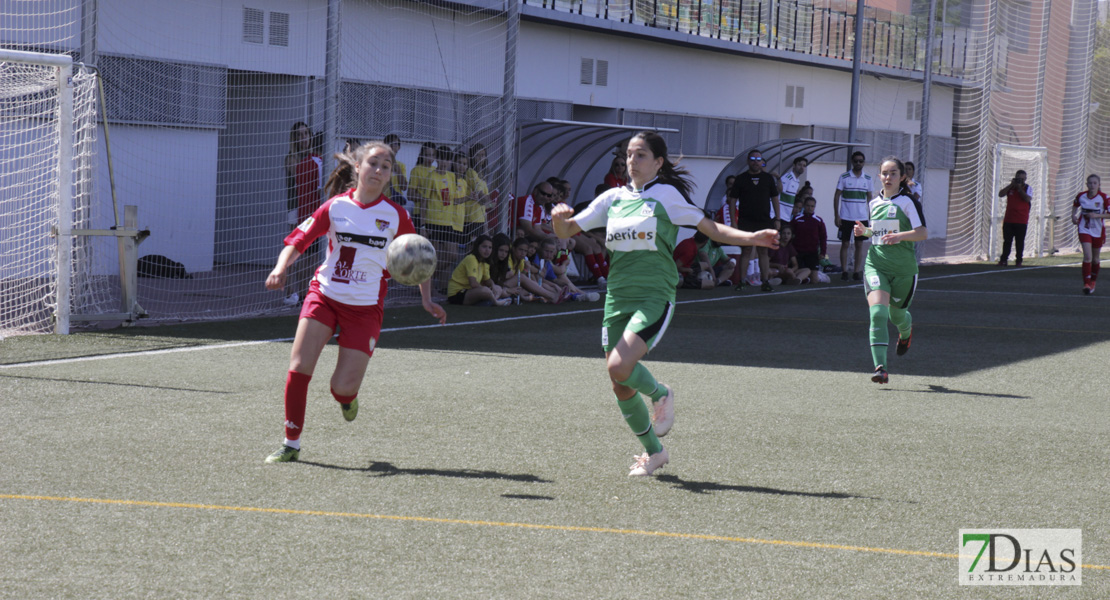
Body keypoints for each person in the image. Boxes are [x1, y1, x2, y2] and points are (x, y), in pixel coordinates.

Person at [551, 131, 779, 477]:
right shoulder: (611, 198)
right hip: (617, 298)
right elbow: (566, 232)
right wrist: (558, 218)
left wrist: (752, 237)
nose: (632, 161)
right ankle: (654, 453)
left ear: (658, 162)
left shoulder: (666, 196)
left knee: (617, 366)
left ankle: (661, 393)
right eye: (629, 154)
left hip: (654, 295)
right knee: (620, 382)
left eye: (641, 155)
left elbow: (711, 228)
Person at [263, 141, 447, 463]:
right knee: (298, 366)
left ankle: (348, 399)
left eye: (385, 167)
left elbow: (421, 258)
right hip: (325, 295)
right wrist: (280, 269)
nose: (378, 170)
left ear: (390, 175)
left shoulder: (396, 216)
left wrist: (427, 300)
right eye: (372, 163)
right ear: (358, 167)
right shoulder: (335, 207)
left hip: (364, 310)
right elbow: (298, 240)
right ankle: (291, 443)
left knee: (342, 388)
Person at [851, 156, 927, 385]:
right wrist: (864, 232)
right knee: (878, 314)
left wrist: (900, 236)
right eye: (884, 173)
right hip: (876, 265)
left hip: (904, 270)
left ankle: (906, 333)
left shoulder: (908, 202)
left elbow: (922, 233)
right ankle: (880, 368)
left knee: (896, 316)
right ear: (879, 176)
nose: (888, 177)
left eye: (893, 173)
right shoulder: (874, 203)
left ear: (902, 177)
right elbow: (878, 233)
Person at [729, 148, 781, 291]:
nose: (756, 162)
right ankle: (742, 281)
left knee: (763, 251)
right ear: (748, 161)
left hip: (764, 220)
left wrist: (778, 218)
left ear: (762, 162)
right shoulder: (741, 179)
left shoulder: (768, 178)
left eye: (758, 160)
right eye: (753, 160)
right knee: (746, 250)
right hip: (746, 220)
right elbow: (732, 200)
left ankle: (765, 281)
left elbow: (775, 198)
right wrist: (734, 221)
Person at [283, 121, 323, 306]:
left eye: (305, 134)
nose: (303, 138)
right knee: (294, 250)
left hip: (313, 209)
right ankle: (291, 292)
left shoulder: (318, 157)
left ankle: (304, 291)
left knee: (311, 255)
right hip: (296, 209)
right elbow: (299, 175)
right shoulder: (291, 158)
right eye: (299, 135)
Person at [833, 150, 875, 281]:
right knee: (845, 244)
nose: (858, 163)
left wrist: (871, 217)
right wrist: (836, 215)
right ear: (852, 162)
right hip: (845, 217)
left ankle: (856, 271)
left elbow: (870, 199)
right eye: (856, 161)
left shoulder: (868, 179)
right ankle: (845, 271)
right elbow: (837, 196)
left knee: (859, 245)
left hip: (862, 218)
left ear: (863, 162)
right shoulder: (844, 177)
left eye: (860, 161)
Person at [447, 235, 512, 306]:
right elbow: (473, 284)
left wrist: (493, 286)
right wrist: (489, 291)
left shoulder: (484, 262)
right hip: (457, 293)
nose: (487, 250)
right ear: (477, 247)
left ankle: (490, 300)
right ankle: (496, 302)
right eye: (484, 247)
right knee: (485, 290)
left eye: (490, 247)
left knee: (498, 288)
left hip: (469, 291)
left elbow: (487, 280)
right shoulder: (471, 259)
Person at [1071, 174, 1109, 294]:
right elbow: (1075, 205)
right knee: (1088, 256)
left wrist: (1097, 215)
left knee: (1096, 259)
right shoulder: (1081, 196)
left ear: (1099, 185)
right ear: (1086, 184)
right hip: (1084, 228)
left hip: (1098, 231)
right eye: (1090, 183)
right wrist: (1073, 216)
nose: (1092, 185)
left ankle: (1093, 280)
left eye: (1094, 183)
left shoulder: (1104, 197)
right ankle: (1086, 283)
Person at [997, 170, 1033, 266]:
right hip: (1009, 219)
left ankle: (1019, 260)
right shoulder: (1011, 188)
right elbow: (1000, 194)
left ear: (1025, 179)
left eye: (1021, 179)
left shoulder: (1027, 188)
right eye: (1018, 178)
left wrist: (1019, 188)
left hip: (1021, 220)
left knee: (1019, 242)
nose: (1019, 180)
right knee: (1007, 241)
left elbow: (1027, 199)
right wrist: (1011, 185)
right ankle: (1003, 259)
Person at [791, 192, 829, 274]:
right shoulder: (796, 219)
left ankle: (820, 277)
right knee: (797, 273)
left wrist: (823, 252)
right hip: (798, 252)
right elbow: (790, 234)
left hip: (812, 253)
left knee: (814, 279)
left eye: (812, 206)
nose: (810, 208)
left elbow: (823, 237)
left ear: (815, 207)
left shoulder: (819, 220)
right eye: (808, 206)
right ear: (804, 206)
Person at [407, 141, 439, 231]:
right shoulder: (416, 170)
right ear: (422, 155)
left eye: (433, 155)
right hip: (420, 213)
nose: (430, 158)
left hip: (433, 212)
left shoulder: (436, 170)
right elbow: (410, 195)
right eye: (427, 155)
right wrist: (425, 197)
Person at [383, 134, 408, 208]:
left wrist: (398, 171)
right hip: (382, 201)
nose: (392, 146)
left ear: (399, 147)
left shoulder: (401, 165)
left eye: (395, 144)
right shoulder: (379, 164)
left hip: (396, 202)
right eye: (389, 144)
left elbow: (404, 187)